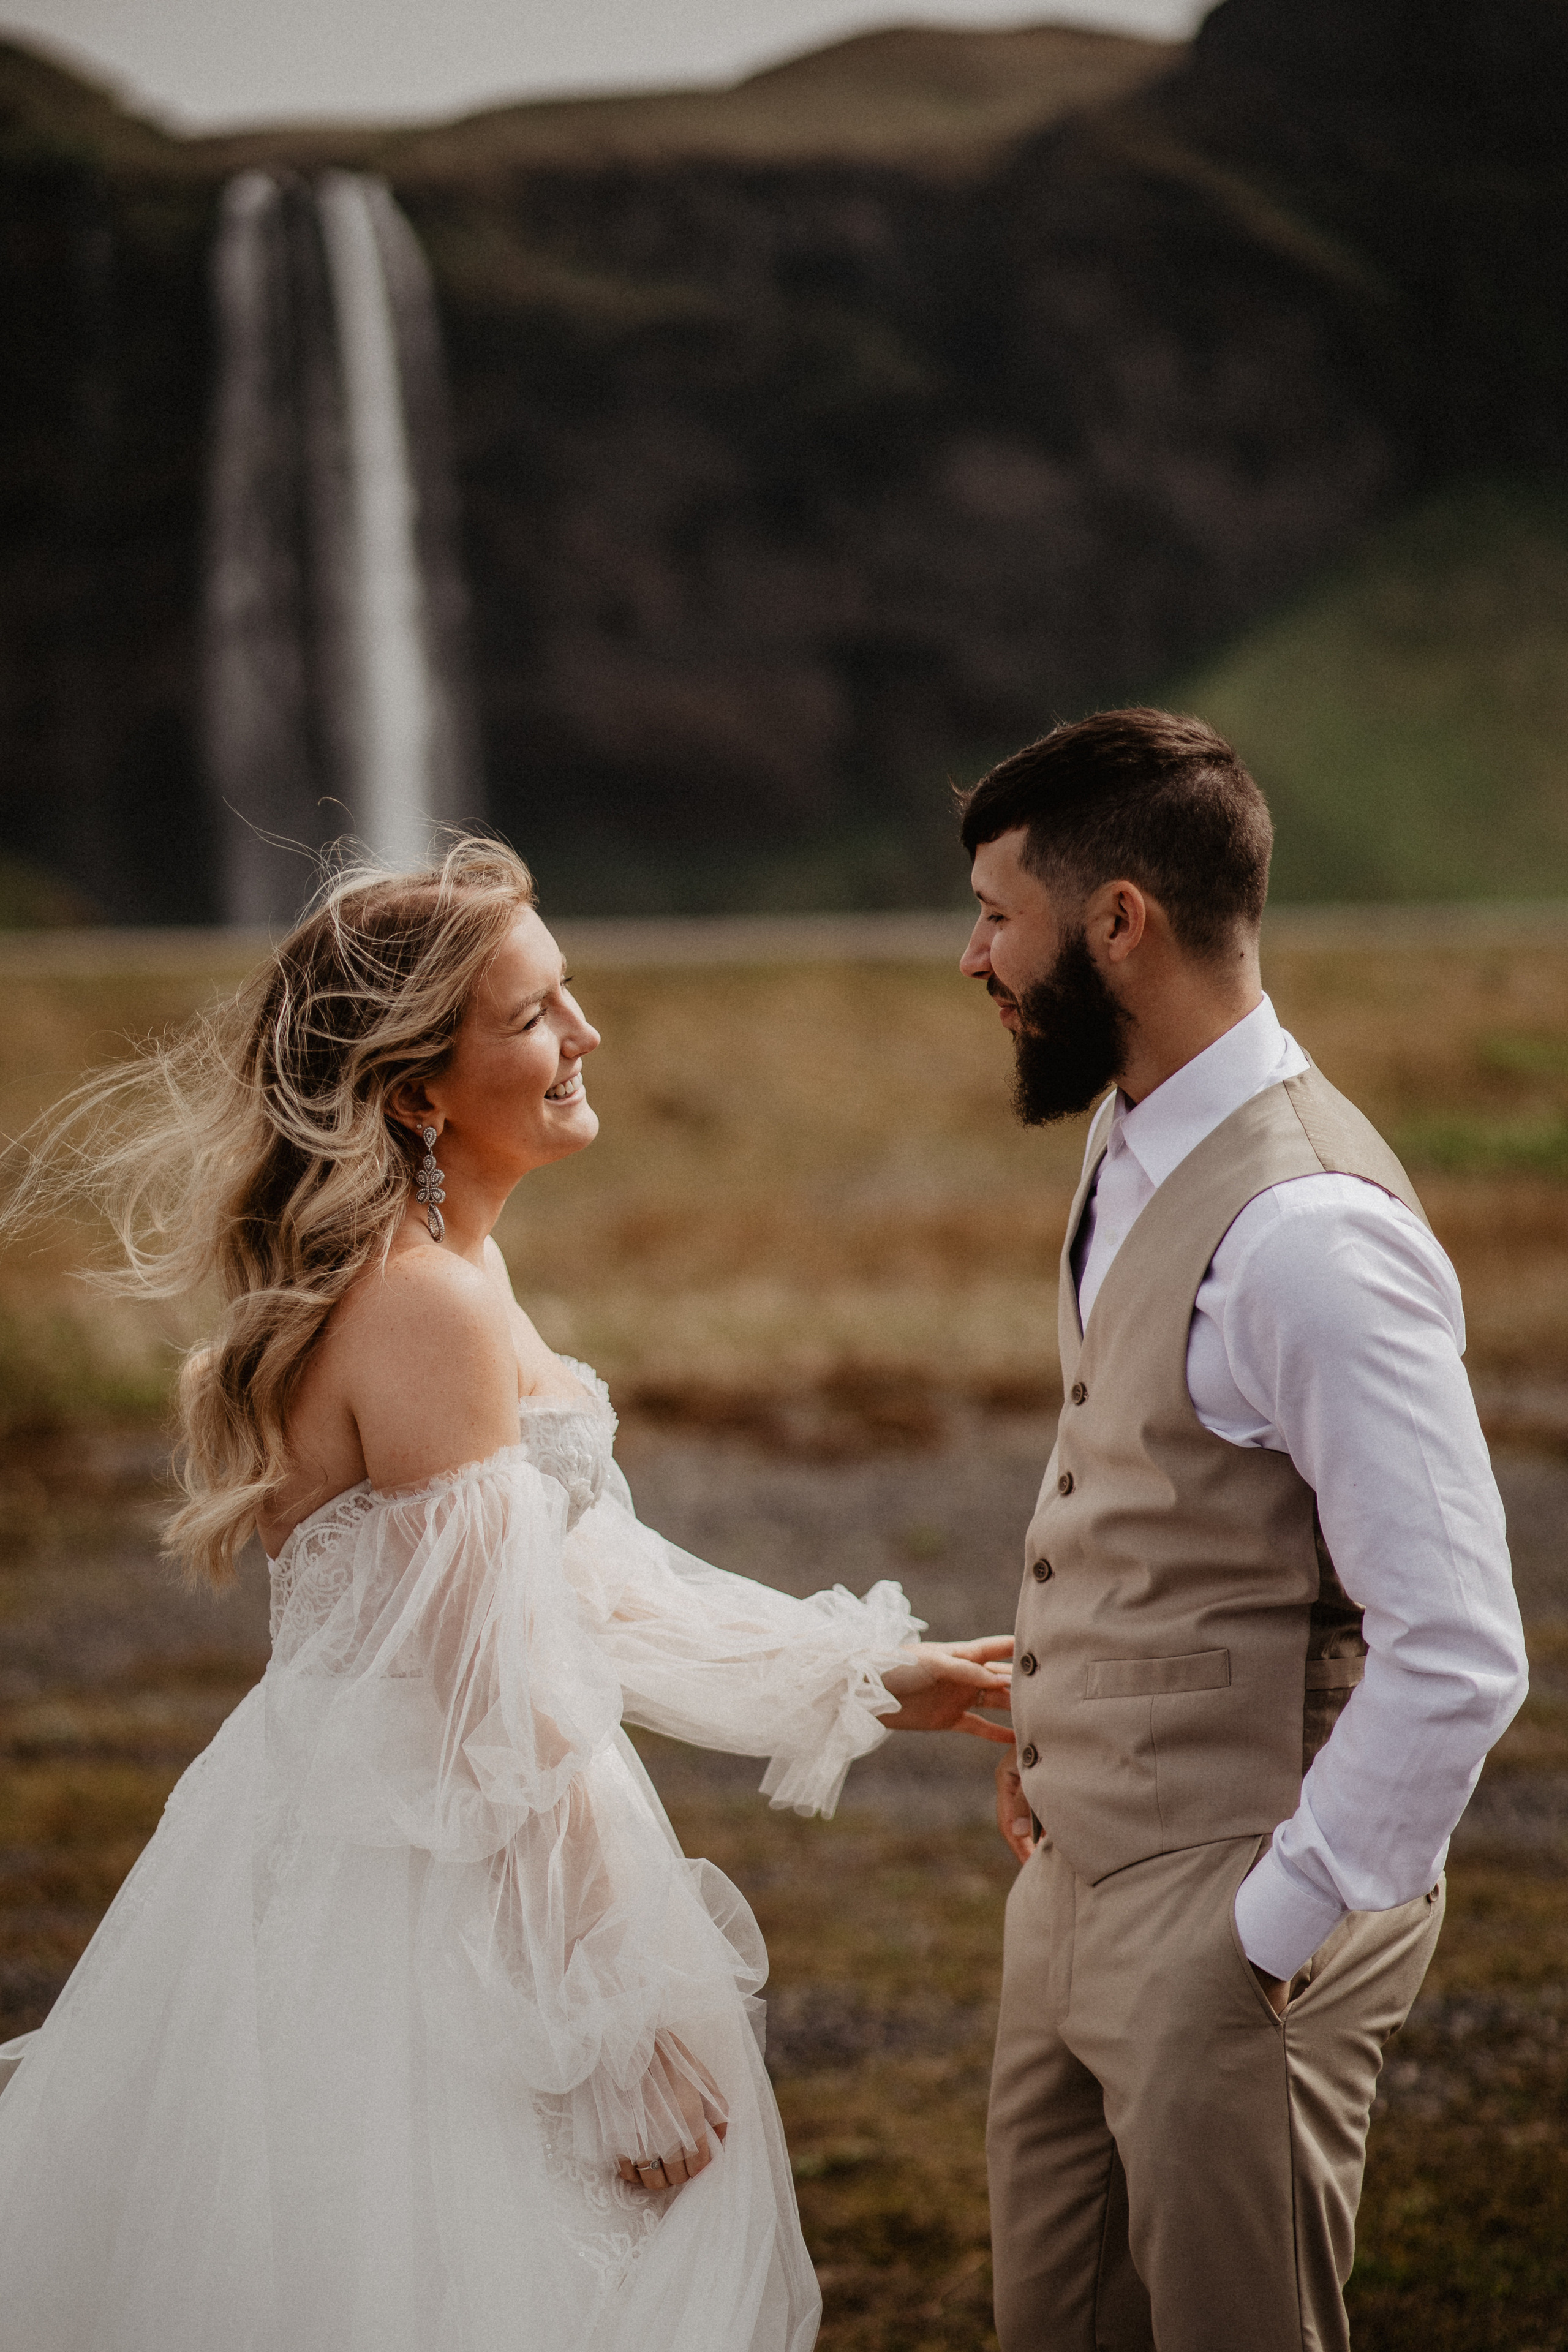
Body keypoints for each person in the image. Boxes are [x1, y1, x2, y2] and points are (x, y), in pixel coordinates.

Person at [0, 838, 1014, 2352]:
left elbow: (582, 1588)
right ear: (417, 1092)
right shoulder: (424, 1305)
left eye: (568, 995)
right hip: (433, 1909)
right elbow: (493, 1702)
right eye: (535, 1015)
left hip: (424, 1849)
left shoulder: (448, 1271)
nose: (584, 1033)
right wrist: (599, 2031)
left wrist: (857, 1676)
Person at [958, 711, 1529, 2352]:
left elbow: (1458, 1647)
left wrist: (1268, 1933)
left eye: (998, 916)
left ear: (1117, 921)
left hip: (1230, 1921)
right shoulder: (1129, 1135)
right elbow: (1144, 1487)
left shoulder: (1311, 1239)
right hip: (1071, 1887)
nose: (974, 957)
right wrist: (1065, 1729)